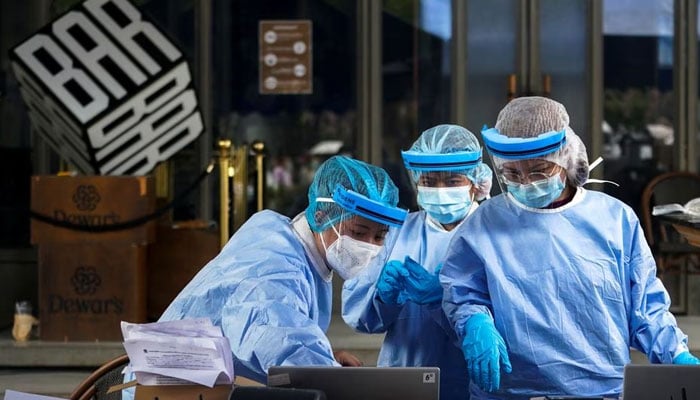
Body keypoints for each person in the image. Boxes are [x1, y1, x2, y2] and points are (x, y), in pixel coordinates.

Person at [439, 96, 700, 400]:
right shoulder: (483, 224)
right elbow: (462, 292)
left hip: (602, 390)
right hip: (512, 391)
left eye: (538, 171)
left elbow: (645, 306)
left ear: (566, 157)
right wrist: (474, 321)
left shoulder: (614, 220)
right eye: (512, 173)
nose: (525, 182)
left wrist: (677, 355)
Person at [126, 155, 408, 391]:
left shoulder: (289, 241)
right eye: (358, 233)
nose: (368, 247)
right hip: (166, 390)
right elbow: (276, 335)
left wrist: (327, 360)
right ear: (322, 217)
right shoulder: (273, 264)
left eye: (380, 237)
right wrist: (326, 371)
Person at [342, 124, 493, 400]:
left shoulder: (494, 233)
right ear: (416, 182)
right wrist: (384, 299)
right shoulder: (397, 232)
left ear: (476, 182)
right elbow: (362, 320)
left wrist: (449, 300)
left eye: (451, 181)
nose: (439, 190)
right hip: (404, 379)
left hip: (475, 383)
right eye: (429, 181)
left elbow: (515, 321)